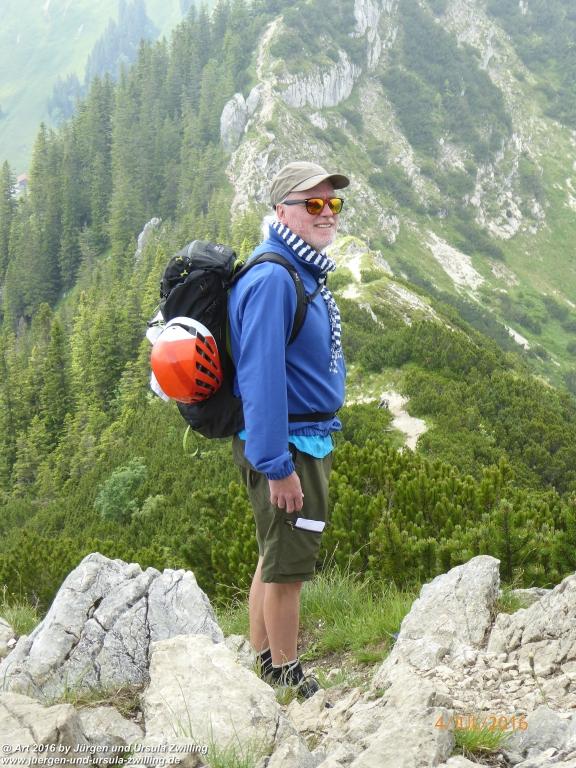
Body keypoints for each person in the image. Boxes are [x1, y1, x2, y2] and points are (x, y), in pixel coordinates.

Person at [228, 161, 349, 698]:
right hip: (288, 446)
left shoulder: (299, 270)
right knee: (289, 568)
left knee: (273, 556)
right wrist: (277, 466)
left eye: (333, 204)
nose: (327, 214)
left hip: (302, 438)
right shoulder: (275, 277)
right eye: (313, 204)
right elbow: (260, 379)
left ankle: (264, 662)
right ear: (282, 211)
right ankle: (286, 674)